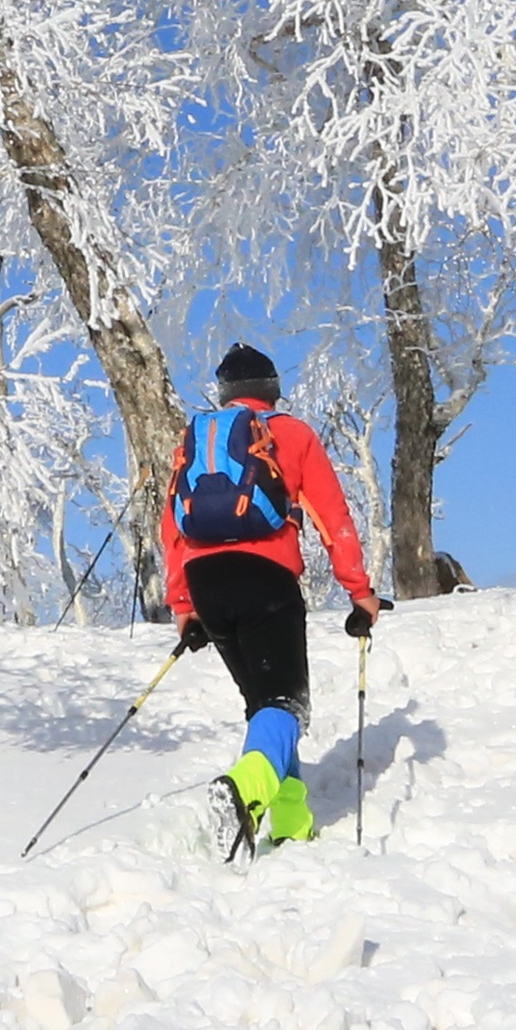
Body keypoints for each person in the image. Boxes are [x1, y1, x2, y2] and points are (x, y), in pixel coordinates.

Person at [164, 343, 380, 851]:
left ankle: (290, 819)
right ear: (272, 390)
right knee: (286, 704)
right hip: (266, 576)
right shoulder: (291, 433)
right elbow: (333, 520)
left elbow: (171, 527)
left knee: (266, 705)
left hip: (206, 582)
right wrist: (360, 592)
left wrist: (183, 605)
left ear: (225, 394)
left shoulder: (194, 444)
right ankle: (245, 788)